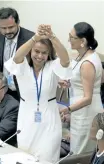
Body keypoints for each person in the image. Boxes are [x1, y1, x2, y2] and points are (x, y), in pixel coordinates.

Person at [4, 25, 72, 162]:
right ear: (30, 51)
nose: (40, 56)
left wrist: (52, 36)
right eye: (36, 51)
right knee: (25, 156)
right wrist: (35, 38)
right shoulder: (23, 66)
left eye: (44, 53)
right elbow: (16, 57)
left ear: (48, 54)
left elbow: (65, 61)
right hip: (26, 118)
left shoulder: (52, 66)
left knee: (47, 157)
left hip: (49, 120)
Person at [59, 22, 103, 155]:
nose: (69, 40)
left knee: (80, 153)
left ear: (82, 41)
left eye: (72, 37)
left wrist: (67, 110)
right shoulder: (84, 56)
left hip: (86, 112)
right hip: (81, 110)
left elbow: (88, 98)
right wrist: (71, 83)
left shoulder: (87, 63)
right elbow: (98, 80)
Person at [0, 7, 34, 101]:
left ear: (18, 22)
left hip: (22, 90)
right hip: (4, 89)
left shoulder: (30, 38)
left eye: (11, 27)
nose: (7, 31)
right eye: (3, 28)